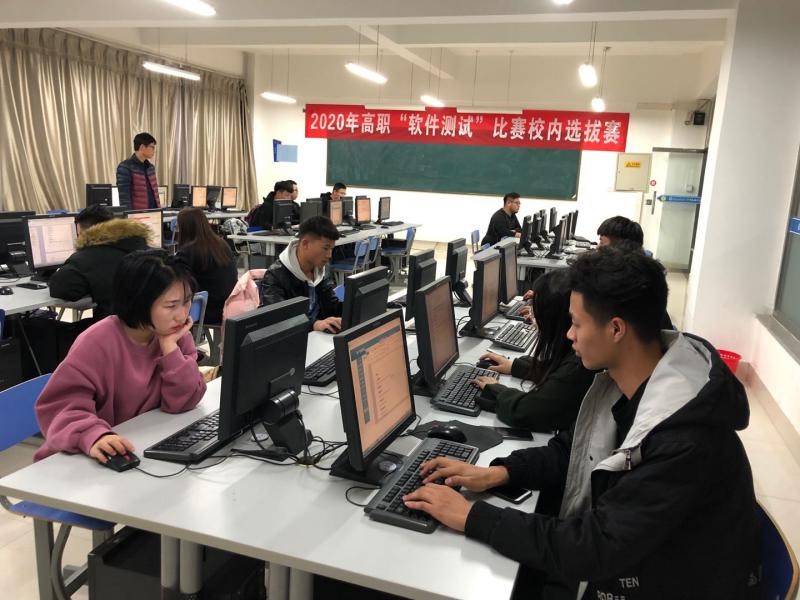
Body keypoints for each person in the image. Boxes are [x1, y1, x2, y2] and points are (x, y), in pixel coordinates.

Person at [404, 246, 759, 599]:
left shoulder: (683, 439)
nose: (569, 335)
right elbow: (574, 450)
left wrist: (472, 516)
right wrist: (500, 472)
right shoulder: (629, 380)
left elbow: (594, 548)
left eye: (576, 323)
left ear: (616, 329)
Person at [35, 249, 207, 463]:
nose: (182, 315)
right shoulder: (98, 342)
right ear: (139, 302)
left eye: (187, 301)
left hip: (140, 447)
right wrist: (93, 434)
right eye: (171, 305)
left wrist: (170, 350)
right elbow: (61, 406)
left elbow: (185, 401)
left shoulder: (174, 337)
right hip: (85, 455)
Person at [472, 270, 594, 432]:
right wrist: (515, 367)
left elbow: (526, 412)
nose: (532, 320)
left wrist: (498, 390)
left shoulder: (580, 365)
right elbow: (558, 371)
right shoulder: (576, 357)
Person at [48, 205, 151, 321]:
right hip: (146, 325)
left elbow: (62, 289)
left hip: (113, 327)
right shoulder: (143, 247)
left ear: (84, 233)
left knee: (37, 325)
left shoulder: (86, 258)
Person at [261, 216, 342, 333]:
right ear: (305, 244)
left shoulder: (323, 269)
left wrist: (350, 307)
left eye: (332, 249)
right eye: (325, 248)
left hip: (319, 335)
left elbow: (330, 305)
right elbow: (279, 319)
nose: (329, 255)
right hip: (294, 337)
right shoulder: (275, 276)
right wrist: (314, 324)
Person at [176, 207, 238, 325]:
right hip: (229, 305)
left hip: (206, 312)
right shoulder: (222, 244)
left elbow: (182, 287)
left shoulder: (187, 252)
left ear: (184, 228)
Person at [116, 132, 160, 210]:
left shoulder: (151, 167)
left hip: (154, 212)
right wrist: (129, 216)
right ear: (142, 147)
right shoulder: (125, 167)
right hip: (137, 214)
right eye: (152, 147)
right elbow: (124, 198)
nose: (154, 151)